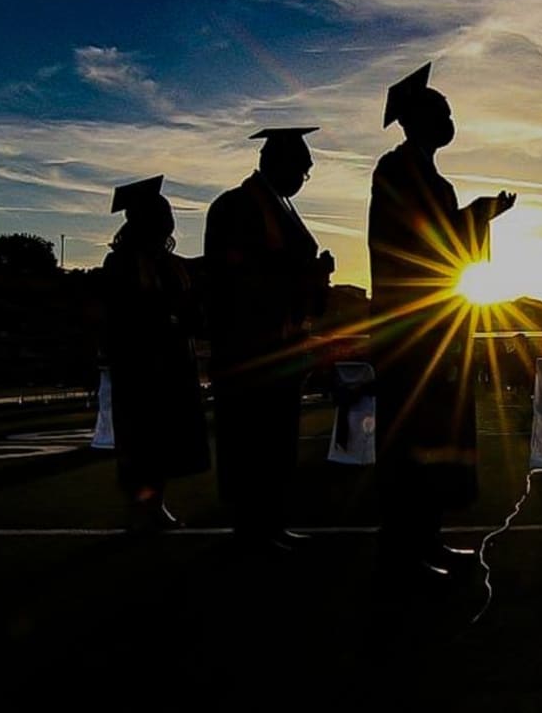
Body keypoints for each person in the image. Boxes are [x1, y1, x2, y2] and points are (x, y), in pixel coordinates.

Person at [367, 62, 516, 579]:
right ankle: (404, 546)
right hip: (411, 330)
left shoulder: (429, 176)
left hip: (438, 324)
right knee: (412, 439)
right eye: (442, 111)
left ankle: (426, 538)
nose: (450, 119)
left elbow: (447, 244)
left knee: (436, 437)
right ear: (416, 119)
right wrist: (478, 215)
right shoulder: (396, 171)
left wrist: (478, 215)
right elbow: (420, 243)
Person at [204, 127, 335, 552]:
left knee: (276, 444)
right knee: (252, 445)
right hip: (251, 349)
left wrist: (315, 276)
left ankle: (271, 523)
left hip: (282, 348)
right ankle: (252, 530)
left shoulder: (278, 204)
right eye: (302, 167)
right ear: (277, 161)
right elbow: (240, 279)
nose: (303, 176)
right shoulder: (237, 206)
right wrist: (308, 275)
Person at [102, 175, 209, 532]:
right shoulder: (121, 263)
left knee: (164, 440)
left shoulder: (171, 262)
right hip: (141, 365)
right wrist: (167, 318)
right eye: (161, 213)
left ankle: (155, 504)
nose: (168, 219)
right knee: (142, 438)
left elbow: (190, 304)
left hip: (175, 361)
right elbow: (124, 314)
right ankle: (142, 507)